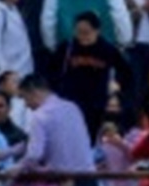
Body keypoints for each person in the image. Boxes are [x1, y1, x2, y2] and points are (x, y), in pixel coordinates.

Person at [54, 12, 133, 140]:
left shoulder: (107, 49)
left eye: (87, 32)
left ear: (97, 31)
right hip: (70, 102)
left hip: (96, 105)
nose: (82, 36)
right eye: (79, 32)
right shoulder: (67, 48)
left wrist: (117, 86)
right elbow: (52, 71)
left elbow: (126, 73)